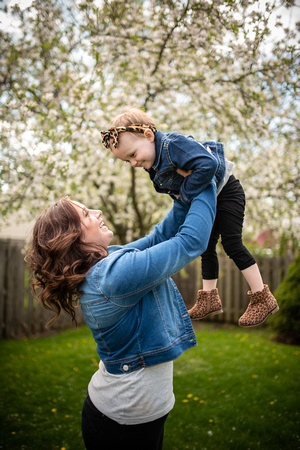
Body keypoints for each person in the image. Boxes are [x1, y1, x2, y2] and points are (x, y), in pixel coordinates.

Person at [25, 181, 216, 450]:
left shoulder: (107, 261)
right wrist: (207, 180)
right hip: (123, 423)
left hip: (134, 415)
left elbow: (158, 238)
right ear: (72, 237)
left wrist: (184, 196)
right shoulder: (111, 277)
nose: (98, 212)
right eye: (86, 214)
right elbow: (191, 242)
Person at [101, 106, 279, 327]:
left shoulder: (172, 144)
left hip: (227, 191)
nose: (134, 163)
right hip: (210, 197)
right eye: (127, 161)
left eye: (133, 155)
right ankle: (209, 297)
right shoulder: (153, 164)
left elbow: (208, 164)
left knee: (232, 243)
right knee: (206, 246)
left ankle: (262, 297)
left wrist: (185, 193)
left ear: (148, 136)